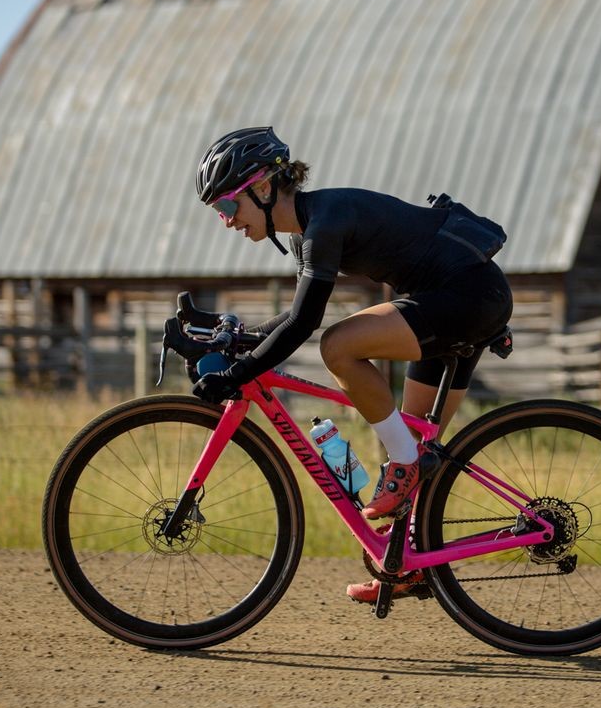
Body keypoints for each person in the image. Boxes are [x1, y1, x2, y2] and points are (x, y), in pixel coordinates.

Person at [188, 126, 512, 604]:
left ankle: (404, 465)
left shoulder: (327, 219)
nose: (227, 221)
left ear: (261, 187)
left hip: (468, 297)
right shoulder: (305, 235)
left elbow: (305, 324)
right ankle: (407, 566)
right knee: (416, 443)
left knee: (339, 347)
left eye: (227, 206)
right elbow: (291, 316)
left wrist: (238, 373)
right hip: (456, 298)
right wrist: (239, 337)